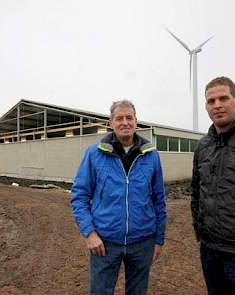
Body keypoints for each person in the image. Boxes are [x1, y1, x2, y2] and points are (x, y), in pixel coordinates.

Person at [71, 100, 167, 295]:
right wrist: (90, 234)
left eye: (129, 118)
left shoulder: (151, 155)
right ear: (111, 123)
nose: (125, 122)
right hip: (105, 243)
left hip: (142, 242)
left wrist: (158, 240)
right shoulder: (94, 154)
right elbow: (79, 197)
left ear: (136, 121)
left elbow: (159, 200)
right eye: (119, 118)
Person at [191, 76, 235, 295]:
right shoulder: (203, 146)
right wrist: (200, 232)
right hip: (210, 251)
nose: (217, 105)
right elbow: (196, 192)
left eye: (223, 98)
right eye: (211, 101)